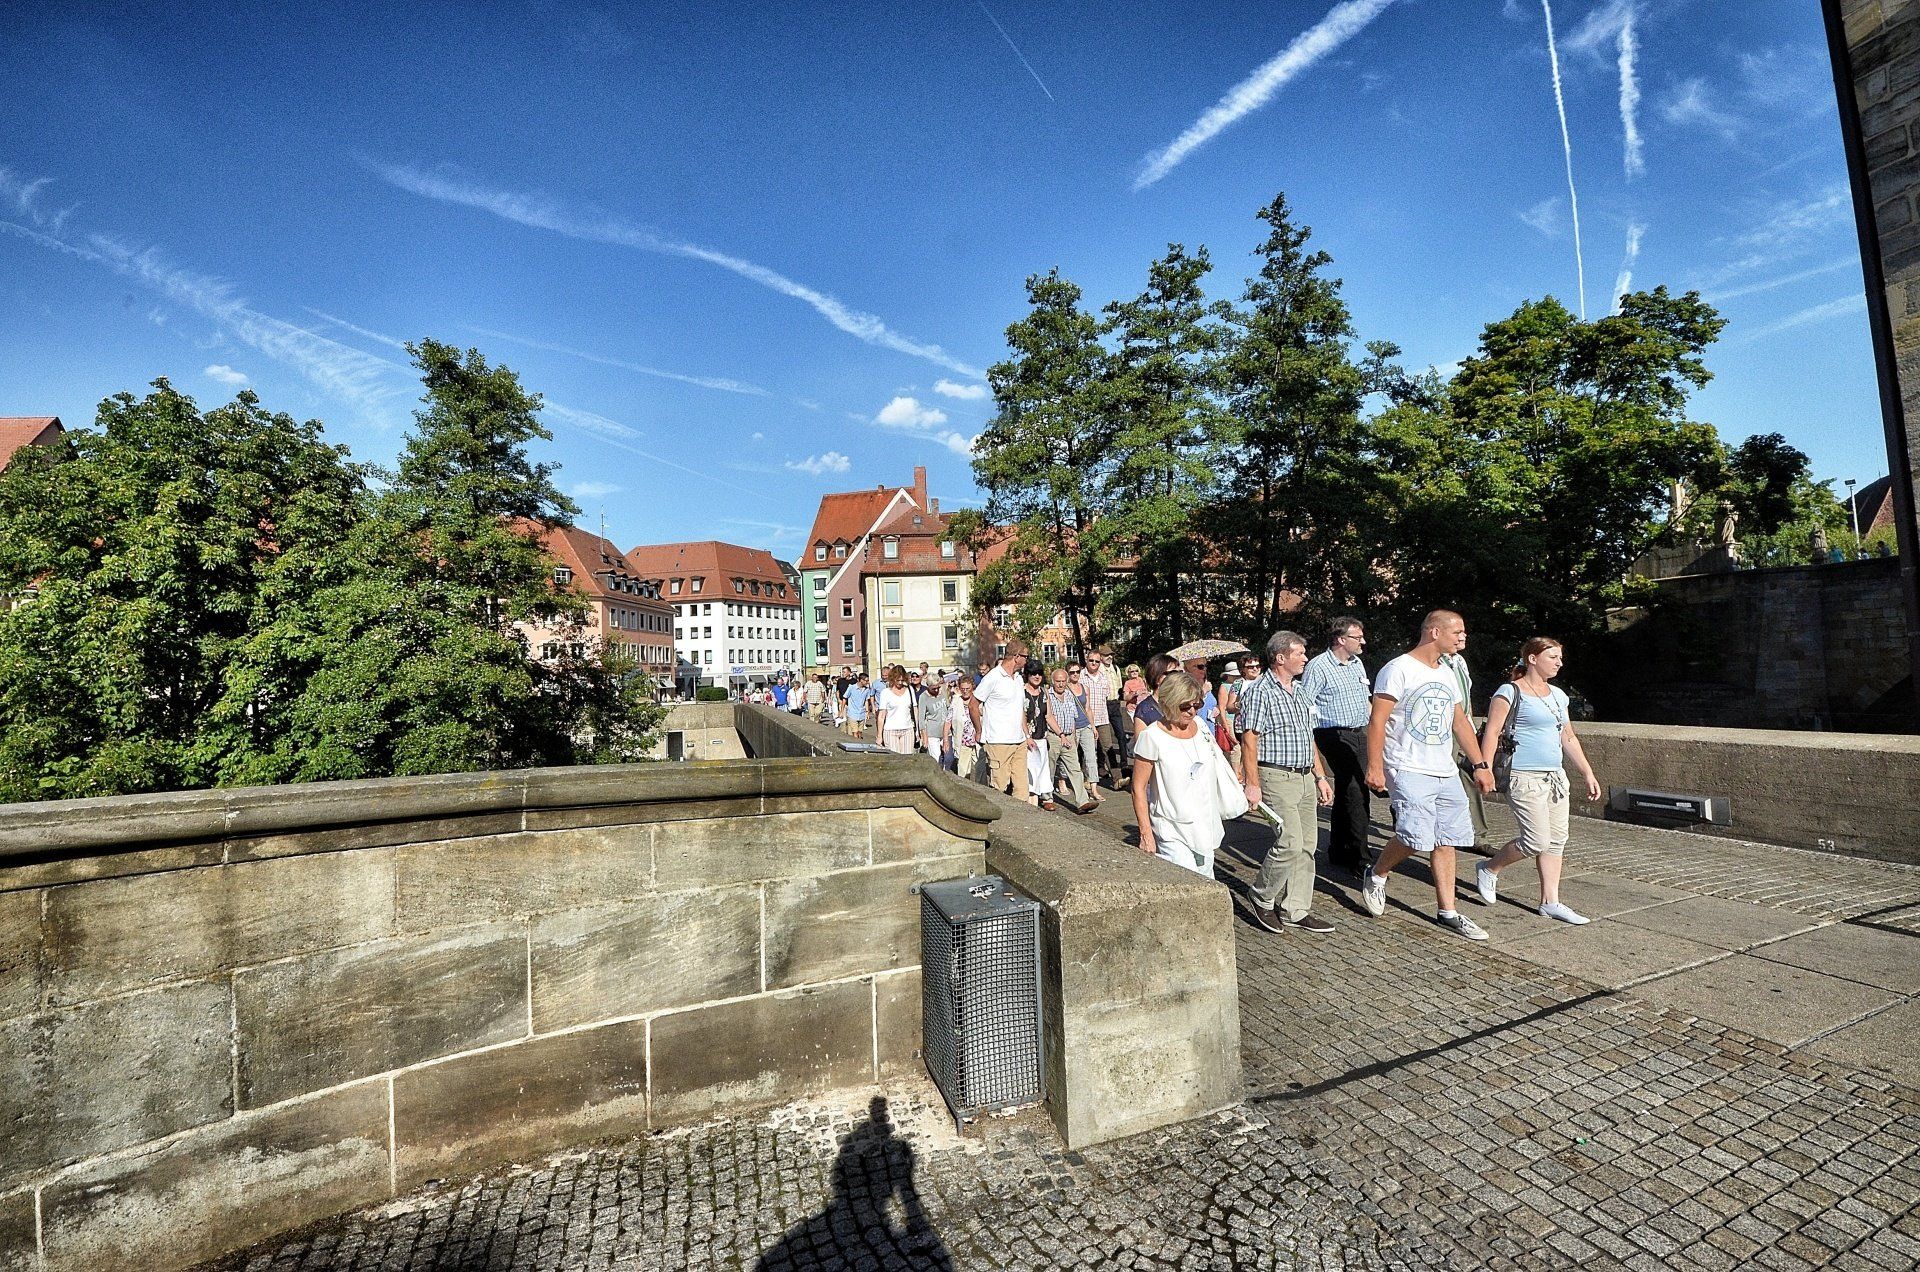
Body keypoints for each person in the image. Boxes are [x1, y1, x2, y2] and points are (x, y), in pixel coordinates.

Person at [1361, 610, 1497, 941]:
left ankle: (1447, 912)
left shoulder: (1447, 672)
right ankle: (1377, 873)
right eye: (1457, 631)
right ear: (1435, 632)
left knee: (1446, 838)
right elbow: (1377, 720)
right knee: (1414, 836)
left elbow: (1460, 722)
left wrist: (1480, 765)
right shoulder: (1398, 669)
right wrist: (1375, 766)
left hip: (1444, 768)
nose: (1463, 637)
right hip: (1407, 765)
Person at [1474, 638, 1603, 924]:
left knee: (1556, 840)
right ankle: (1490, 868)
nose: (1559, 663)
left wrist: (1587, 772)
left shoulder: (1558, 695)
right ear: (1532, 659)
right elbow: (1492, 732)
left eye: (1560, 657)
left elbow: (1567, 736)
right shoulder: (1510, 691)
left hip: (1554, 777)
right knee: (1535, 839)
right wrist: (1484, 769)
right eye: (1553, 657)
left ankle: (1550, 902)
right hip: (1523, 776)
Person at [1237, 632, 1337, 934]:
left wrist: (1321, 777)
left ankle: (1296, 908)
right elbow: (1249, 740)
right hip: (1276, 776)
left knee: (1308, 846)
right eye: (1299, 653)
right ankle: (1262, 895)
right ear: (1280, 658)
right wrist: (1252, 784)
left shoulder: (1301, 691)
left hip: (1305, 776)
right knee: (1289, 842)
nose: (1305, 658)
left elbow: (1308, 737)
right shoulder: (1260, 692)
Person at [1131, 671, 1240, 879]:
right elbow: (1138, 788)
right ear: (1170, 702)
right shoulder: (1151, 736)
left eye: (1197, 705)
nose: (1192, 711)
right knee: (1187, 879)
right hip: (1171, 826)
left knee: (1206, 878)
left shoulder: (1201, 727)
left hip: (1203, 820)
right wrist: (1146, 833)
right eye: (1185, 706)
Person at [1300, 616, 1373, 877]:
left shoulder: (1357, 664)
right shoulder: (1319, 667)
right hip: (1332, 733)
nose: (1363, 641)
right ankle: (1360, 857)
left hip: (1359, 732)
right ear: (1341, 640)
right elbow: (1304, 704)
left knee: (1349, 789)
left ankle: (1339, 849)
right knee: (1356, 790)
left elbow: (1366, 701)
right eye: (1357, 637)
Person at [1440, 646, 1491, 849]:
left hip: (1463, 728)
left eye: (1463, 632)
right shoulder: (1434, 662)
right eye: (1457, 633)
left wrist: (1470, 726)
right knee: (1444, 781)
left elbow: (1465, 697)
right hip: (1444, 731)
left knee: (1471, 774)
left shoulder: (1459, 661)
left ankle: (1477, 835)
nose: (1462, 637)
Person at [971, 643, 1031, 802]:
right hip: (998, 742)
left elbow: (1020, 709)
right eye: (1026, 657)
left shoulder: (1018, 678)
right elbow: (973, 705)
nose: (1027, 660)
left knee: (1022, 789)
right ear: (1016, 657)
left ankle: (1021, 818)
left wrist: (1026, 735)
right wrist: (979, 730)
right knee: (999, 788)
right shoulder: (993, 677)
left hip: (1019, 741)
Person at [1046, 667, 1098, 813]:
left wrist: (1073, 736)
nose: (1061, 684)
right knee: (1050, 769)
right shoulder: (1048, 695)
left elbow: (1073, 717)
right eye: (1058, 681)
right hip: (1054, 736)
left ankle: (1083, 802)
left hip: (1069, 737)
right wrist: (1060, 734)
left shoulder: (1069, 695)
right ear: (1053, 681)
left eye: (1063, 681)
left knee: (1075, 769)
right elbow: (1048, 716)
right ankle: (1047, 798)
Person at [1081, 650, 1121, 786]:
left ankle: (1117, 779)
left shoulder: (1104, 677)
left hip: (1102, 718)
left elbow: (1106, 696)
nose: (1094, 663)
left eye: (1097, 661)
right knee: (1087, 750)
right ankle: (1087, 780)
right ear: (1086, 660)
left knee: (1108, 748)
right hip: (1086, 719)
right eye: (1091, 660)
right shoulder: (1080, 676)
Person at [1021, 661, 1056, 810]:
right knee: (1031, 772)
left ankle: (1041, 800)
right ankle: (1032, 805)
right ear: (1027, 675)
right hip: (1028, 739)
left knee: (1042, 770)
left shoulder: (1044, 692)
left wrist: (1061, 734)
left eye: (1039, 673)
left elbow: (1049, 716)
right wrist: (1027, 736)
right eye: (1033, 673)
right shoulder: (1021, 692)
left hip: (1042, 737)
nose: (1037, 676)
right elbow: (1021, 717)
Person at [1066, 663, 1102, 803]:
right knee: (1071, 757)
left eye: (1077, 671)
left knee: (1091, 757)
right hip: (1072, 728)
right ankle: (1064, 781)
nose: (1075, 674)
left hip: (1085, 725)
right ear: (1068, 673)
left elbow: (1088, 708)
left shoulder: (1084, 688)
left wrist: (1093, 726)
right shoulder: (1065, 689)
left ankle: (1094, 789)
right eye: (1072, 672)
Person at [877, 668, 916, 754]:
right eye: (898, 680)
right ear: (892, 678)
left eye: (902, 680)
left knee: (908, 759)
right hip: (890, 730)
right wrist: (879, 735)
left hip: (908, 729)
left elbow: (915, 710)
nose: (900, 683)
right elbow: (881, 716)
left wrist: (918, 731)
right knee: (895, 758)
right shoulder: (885, 692)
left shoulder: (910, 690)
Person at [917, 674, 953, 765]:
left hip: (946, 730)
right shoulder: (923, 697)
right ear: (928, 686)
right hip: (932, 733)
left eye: (938, 687)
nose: (936, 690)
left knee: (949, 758)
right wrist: (924, 738)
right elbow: (921, 719)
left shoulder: (943, 691)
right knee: (936, 758)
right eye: (933, 689)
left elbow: (949, 708)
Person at [952, 676, 981, 780]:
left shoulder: (979, 699)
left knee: (980, 770)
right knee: (963, 770)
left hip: (979, 740)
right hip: (964, 740)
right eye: (962, 689)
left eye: (967, 689)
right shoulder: (956, 701)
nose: (965, 691)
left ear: (972, 687)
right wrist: (946, 739)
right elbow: (948, 720)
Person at [843, 673, 873, 740]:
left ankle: (860, 743)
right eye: (866, 680)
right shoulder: (851, 687)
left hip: (862, 713)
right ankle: (856, 744)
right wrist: (841, 711)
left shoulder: (867, 690)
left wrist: (867, 712)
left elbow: (866, 701)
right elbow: (845, 698)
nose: (867, 682)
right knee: (855, 732)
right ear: (861, 680)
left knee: (860, 732)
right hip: (852, 713)